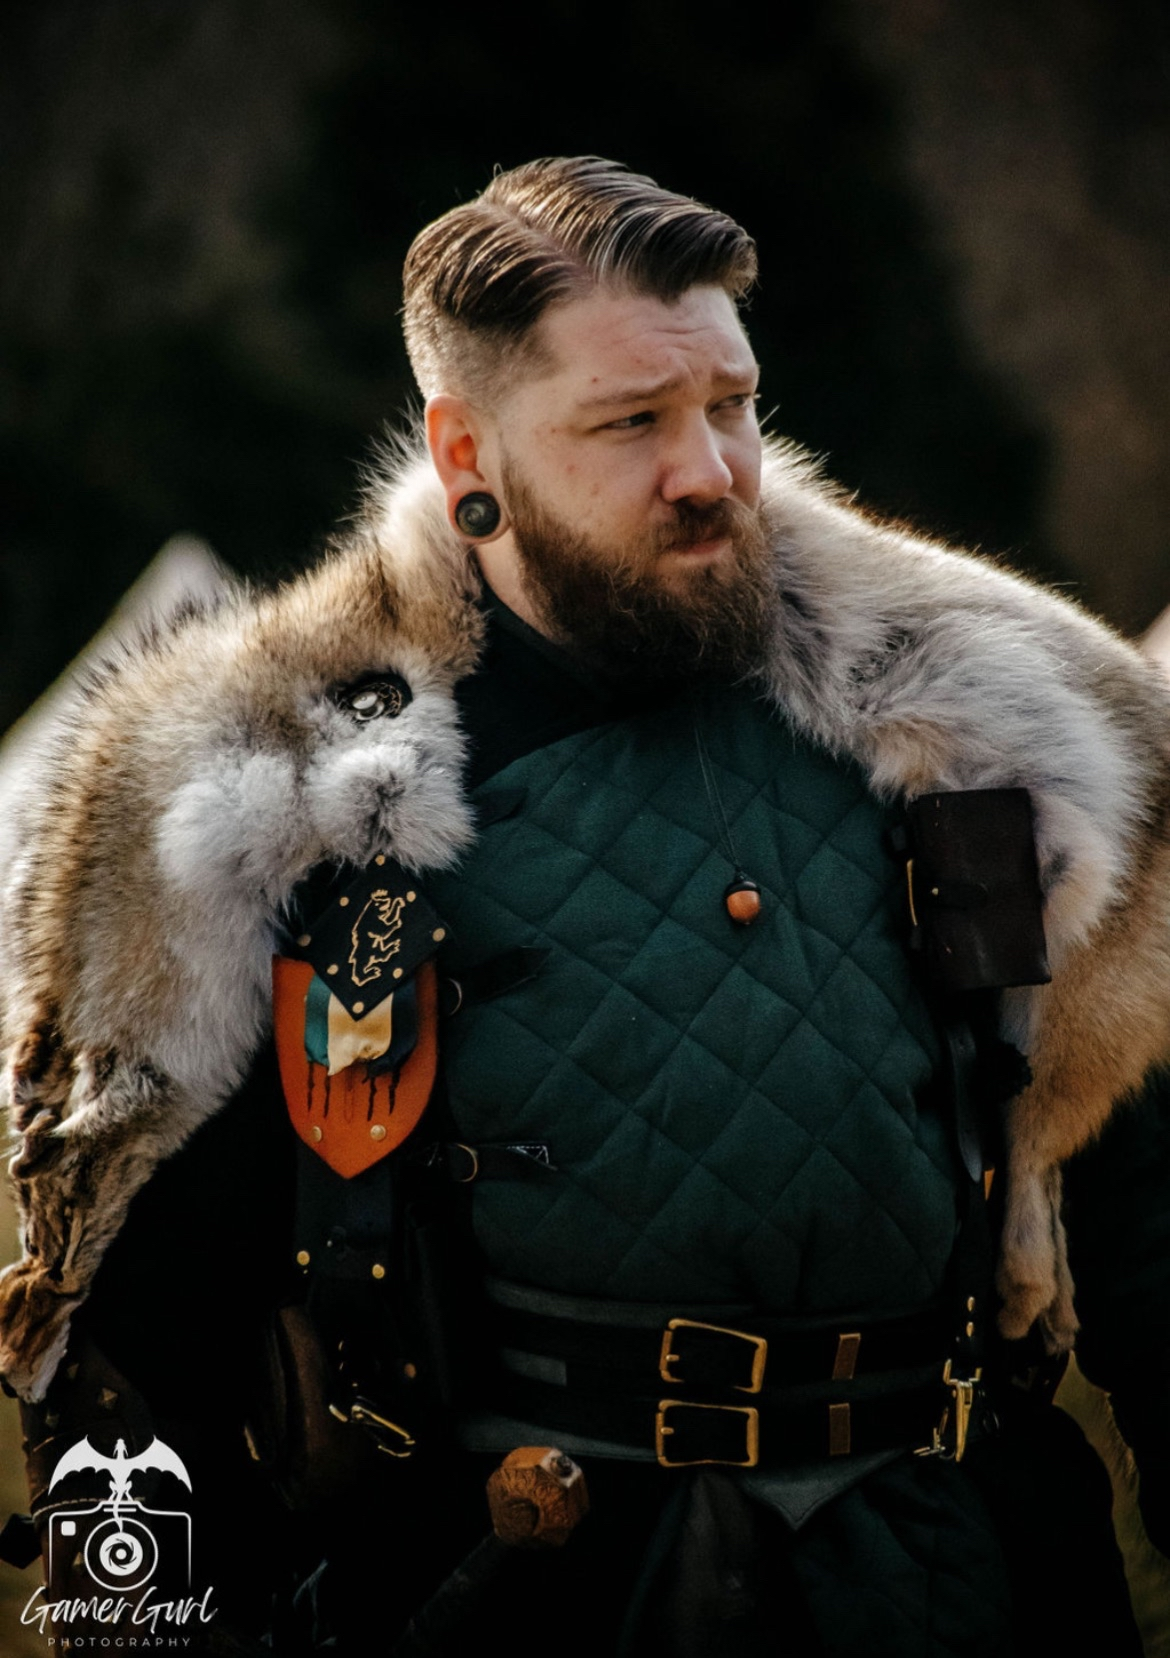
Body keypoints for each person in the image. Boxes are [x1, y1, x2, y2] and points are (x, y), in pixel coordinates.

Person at [3, 155, 1170, 1657]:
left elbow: (1147, 1227)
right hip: (509, 1589)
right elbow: (124, 1361)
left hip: (960, 1573)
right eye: (630, 422)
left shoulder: (978, 722)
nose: (710, 469)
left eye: (730, 404)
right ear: (465, 444)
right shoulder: (271, 795)